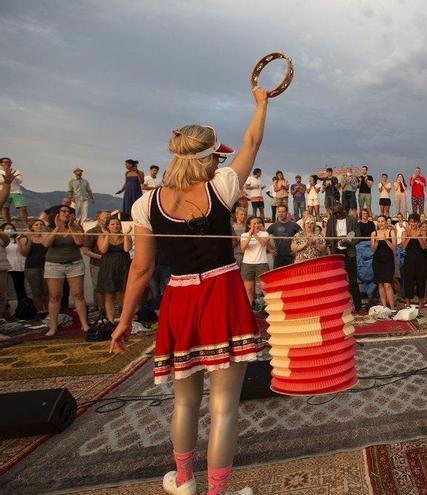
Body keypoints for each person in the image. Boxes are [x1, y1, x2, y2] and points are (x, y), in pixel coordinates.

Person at [111, 88, 267, 495]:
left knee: (184, 403)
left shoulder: (146, 205)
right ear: (207, 158)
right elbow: (252, 142)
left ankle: (183, 481)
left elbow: (141, 269)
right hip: (222, 297)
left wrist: (124, 320)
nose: (221, 161)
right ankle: (217, 491)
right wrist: (261, 103)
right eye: (217, 156)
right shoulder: (222, 187)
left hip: (179, 300)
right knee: (224, 407)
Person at [42, 205, 89, 337]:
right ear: (56, 213)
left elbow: (79, 242)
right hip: (54, 265)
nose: (66, 213)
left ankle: (84, 324)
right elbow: (46, 243)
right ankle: (53, 327)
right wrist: (57, 227)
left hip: (74, 264)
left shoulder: (76, 227)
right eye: (63, 211)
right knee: (54, 296)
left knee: (78, 295)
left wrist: (71, 226)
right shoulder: (48, 227)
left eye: (69, 211)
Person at [95, 217, 132, 322]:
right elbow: (103, 249)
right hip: (108, 268)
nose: (116, 226)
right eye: (112, 224)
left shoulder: (125, 236)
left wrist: (125, 235)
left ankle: (124, 319)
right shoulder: (102, 236)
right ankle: (110, 320)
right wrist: (107, 235)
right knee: (109, 295)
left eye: (117, 224)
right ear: (108, 226)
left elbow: (126, 249)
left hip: (123, 267)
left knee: (123, 294)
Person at [326, 204, 362, 311]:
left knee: (353, 281)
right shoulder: (331, 221)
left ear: (344, 211)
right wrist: (334, 242)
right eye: (335, 213)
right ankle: (340, 306)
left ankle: (358, 306)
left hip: (349, 253)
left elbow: (358, 236)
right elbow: (328, 236)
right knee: (338, 281)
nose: (336, 215)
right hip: (336, 253)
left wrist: (349, 243)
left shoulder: (352, 219)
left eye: (338, 213)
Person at [239, 216, 270, 306]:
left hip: (262, 264)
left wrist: (255, 234)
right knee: (249, 290)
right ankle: (251, 309)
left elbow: (263, 243)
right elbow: (243, 248)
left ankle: (269, 308)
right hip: (247, 264)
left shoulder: (264, 234)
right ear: (249, 225)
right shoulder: (244, 235)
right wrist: (250, 235)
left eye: (258, 223)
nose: (257, 225)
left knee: (265, 289)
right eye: (254, 223)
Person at [401, 213, 427, 312]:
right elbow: (403, 247)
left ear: (418, 222)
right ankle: (408, 305)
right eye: (411, 222)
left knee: (421, 281)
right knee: (408, 281)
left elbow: (423, 247)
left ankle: (420, 307)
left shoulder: (422, 232)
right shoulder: (404, 233)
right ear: (409, 222)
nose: (413, 224)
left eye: (415, 222)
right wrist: (409, 236)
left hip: (420, 259)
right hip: (409, 259)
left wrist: (419, 236)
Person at [20, 220, 48, 315]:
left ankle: (48, 310)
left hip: (46, 266)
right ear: (32, 227)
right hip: (31, 267)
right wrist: (29, 240)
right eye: (36, 225)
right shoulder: (26, 238)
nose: (39, 226)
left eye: (41, 224)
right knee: (36, 290)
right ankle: (40, 311)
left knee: (47, 290)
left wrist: (43, 236)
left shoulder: (47, 237)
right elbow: (24, 253)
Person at [371, 214, 397, 309]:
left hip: (388, 261)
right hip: (377, 261)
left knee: (387, 285)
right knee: (380, 284)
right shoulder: (374, 233)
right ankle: (384, 307)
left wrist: (386, 240)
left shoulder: (391, 232)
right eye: (379, 221)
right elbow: (373, 249)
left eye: (382, 221)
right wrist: (377, 241)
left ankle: (392, 308)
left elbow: (394, 248)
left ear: (386, 222)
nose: (380, 223)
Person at [265, 204, 301, 268]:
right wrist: (270, 250)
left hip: (291, 256)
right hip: (278, 256)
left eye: (283, 212)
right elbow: (264, 237)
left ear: (287, 212)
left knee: (291, 276)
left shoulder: (294, 225)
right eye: (279, 212)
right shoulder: (274, 226)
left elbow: (302, 237)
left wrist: (296, 249)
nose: (281, 214)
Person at [3, 223, 26, 305]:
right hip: (5, 268)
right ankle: (5, 309)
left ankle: (23, 307)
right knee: (4, 290)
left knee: (20, 288)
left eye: (11, 228)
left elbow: (23, 252)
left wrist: (18, 240)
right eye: (7, 228)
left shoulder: (18, 239)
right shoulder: (2, 241)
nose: (9, 230)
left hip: (18, 267)